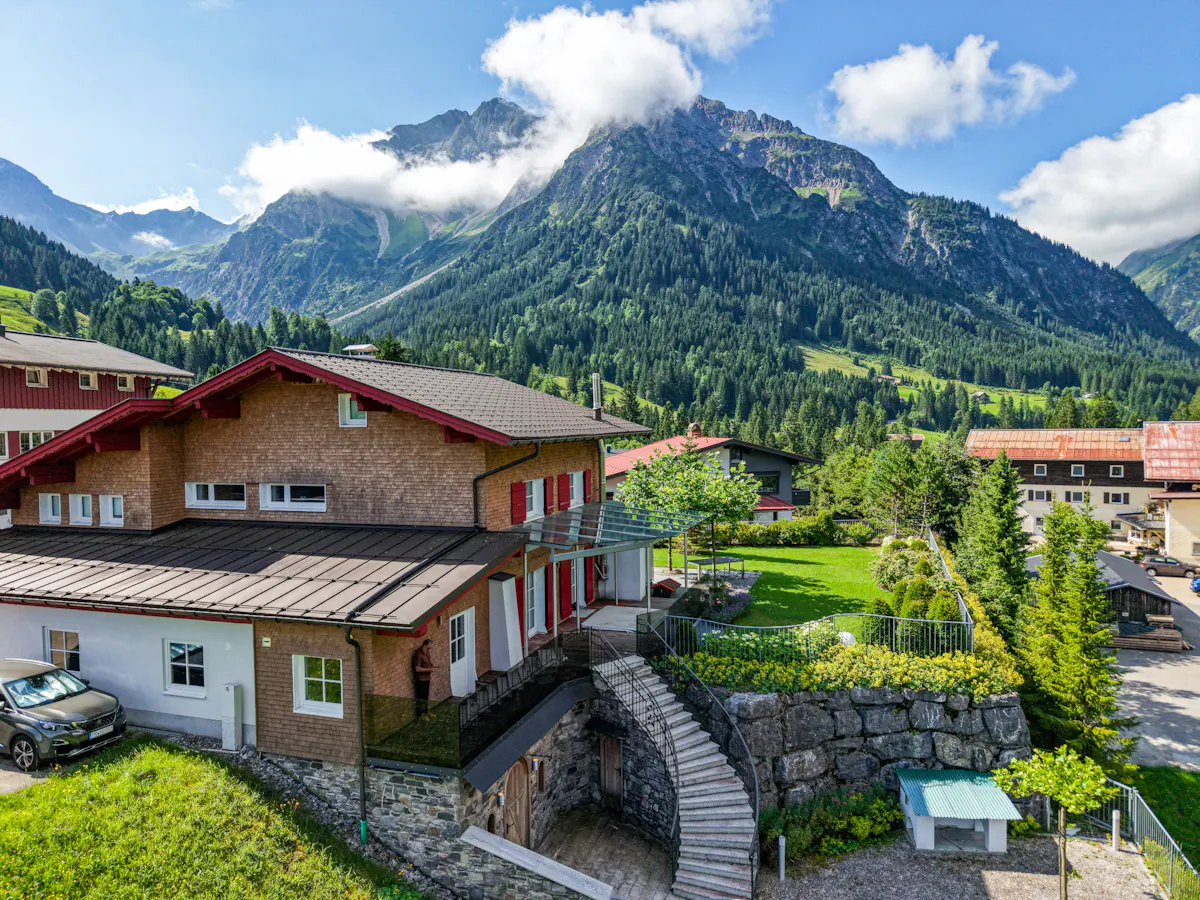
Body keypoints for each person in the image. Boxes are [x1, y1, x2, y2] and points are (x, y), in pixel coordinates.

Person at [412, 638, 436, 713]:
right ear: (427, 645)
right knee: (421, 697)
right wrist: (429, 670)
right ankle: (420, 714)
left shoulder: (427, 652)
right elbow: (417, 669)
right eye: (431, 645)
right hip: (421, 679)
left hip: (427, 678)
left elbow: (429, 661)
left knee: (426, 696)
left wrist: (432, 666)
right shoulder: (418, 654)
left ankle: (426, 711)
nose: (432, 646)